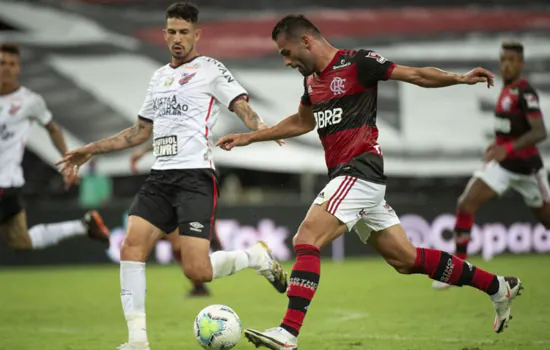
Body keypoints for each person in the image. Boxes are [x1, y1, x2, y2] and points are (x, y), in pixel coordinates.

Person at [216, 15, 524, 350]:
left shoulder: (358, 63)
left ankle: (288, 332)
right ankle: (497, 286)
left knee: (306, 238)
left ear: (307, 41)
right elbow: (302, 122)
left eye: (286, 52)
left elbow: (417, 75)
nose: (286, 61)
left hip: (360, 170)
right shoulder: (312, 83)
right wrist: (252, 138)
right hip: (350, 179)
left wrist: (460, 78)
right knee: (406, 260)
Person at [55, 3, 288, 349]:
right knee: (131, 247)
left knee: (197, 272)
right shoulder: (159, 77)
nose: (177, 38)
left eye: (184, 32)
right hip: (159, 179)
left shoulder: (210, 69)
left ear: (197, 34)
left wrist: (263, 130)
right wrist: (92, 148)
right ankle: (137, 341)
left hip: (195, 177)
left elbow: (241, 106)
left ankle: (255, 256)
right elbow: (138, 132)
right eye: (172, 32)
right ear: (164, 35)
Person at [433, 42, 548, 289]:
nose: (506, 64)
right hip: (503, 167)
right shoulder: (505, 90)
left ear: (521, 64)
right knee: (466, 202)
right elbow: (509, 130)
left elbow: (539, 132)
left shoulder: (524, 92)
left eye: (512, 60)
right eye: (503, 59)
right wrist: (497, 145)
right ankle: (458, 270)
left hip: (528, 170)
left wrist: (505, 149)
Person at [0, 43, 109, 251]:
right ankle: (82, 225)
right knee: (21, 242)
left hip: (6, 183)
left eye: (11, 63)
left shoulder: (29, 101)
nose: (6, 68)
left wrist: (66, 160)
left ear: (18, 68)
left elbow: (53, 129)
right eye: (2, 63)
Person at [130, 144, 224, 297]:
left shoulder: (193, 130)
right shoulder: (169, 129)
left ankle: (235, 257)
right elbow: (164, 136)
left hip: (194, 183)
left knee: (183, 244)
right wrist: (142, 151)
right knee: (178, 245)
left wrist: (141, 152)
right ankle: (200, 285)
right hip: (172, 185)